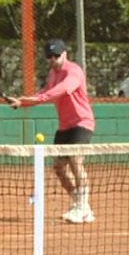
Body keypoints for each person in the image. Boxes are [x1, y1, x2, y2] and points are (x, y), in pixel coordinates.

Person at [12, 38, 95, 223]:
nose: (53, 59)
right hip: (64, 126)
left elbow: (62, 90)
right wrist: (22, 102)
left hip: (82, 122)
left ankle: (82, 206)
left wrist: (32, 99)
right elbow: (43, 93)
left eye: (56, 55)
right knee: (59, 168)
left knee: (75, 160)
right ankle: (81, 206)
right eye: (49, 57)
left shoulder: (74, 72)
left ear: (65, 54)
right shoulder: (51, 75)